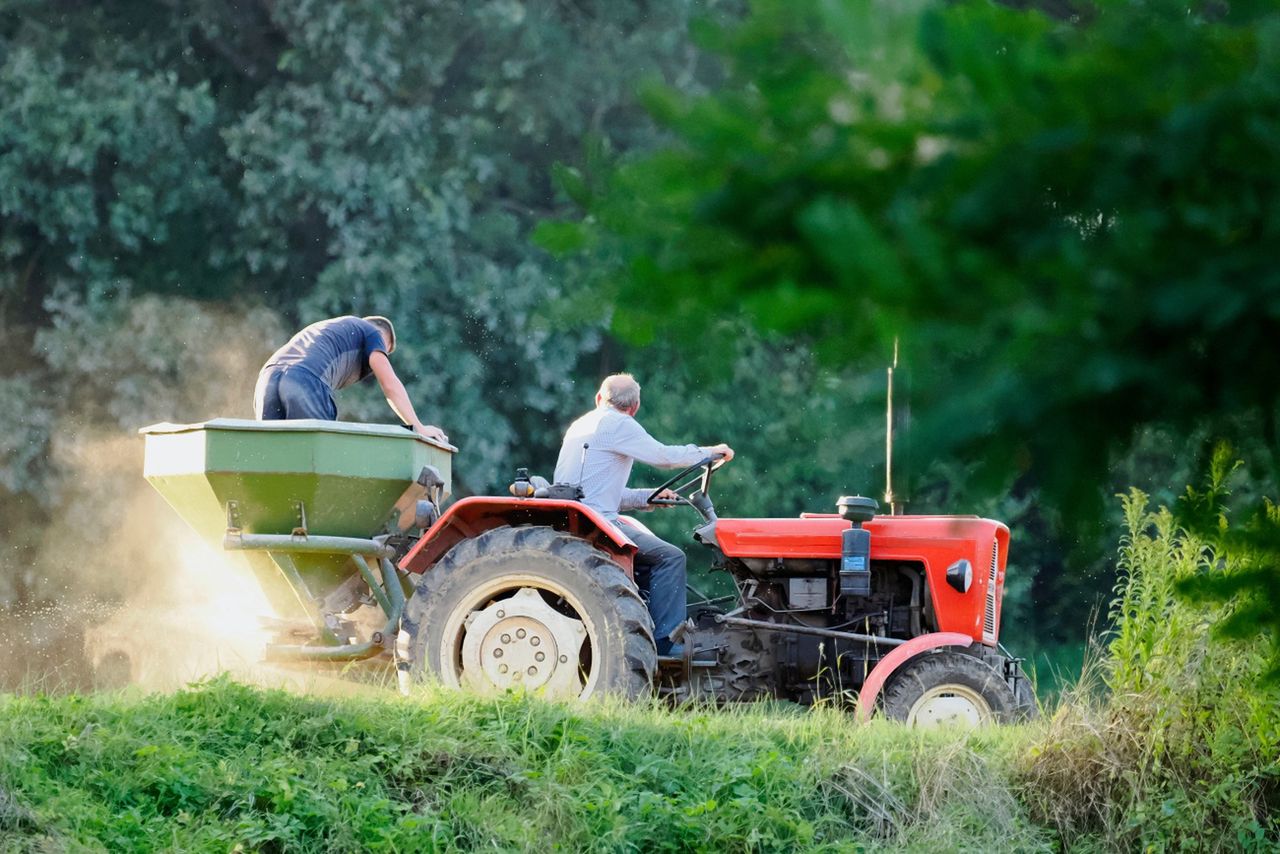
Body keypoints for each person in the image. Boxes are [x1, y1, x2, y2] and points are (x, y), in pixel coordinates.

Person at [554, 373, 733, 656]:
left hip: (584, 513)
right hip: (598, 522)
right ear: (635, 407)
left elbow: (592, 491)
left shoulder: (581, 424)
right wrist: (711, 452)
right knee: (671, 557)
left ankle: (646, 628)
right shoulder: (619, 423)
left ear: (599, 398)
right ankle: (667, 643)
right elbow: (665, 457)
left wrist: (645, 497)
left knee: (654, 557)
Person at [253, 315, 448, 444]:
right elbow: (389, 384)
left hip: (267, 379)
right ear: (383, 338)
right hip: (306, 380)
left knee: (270, 453)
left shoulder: (329, 328)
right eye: (385, 351)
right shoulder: (373, 333)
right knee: (321, 458)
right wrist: (419, 427)